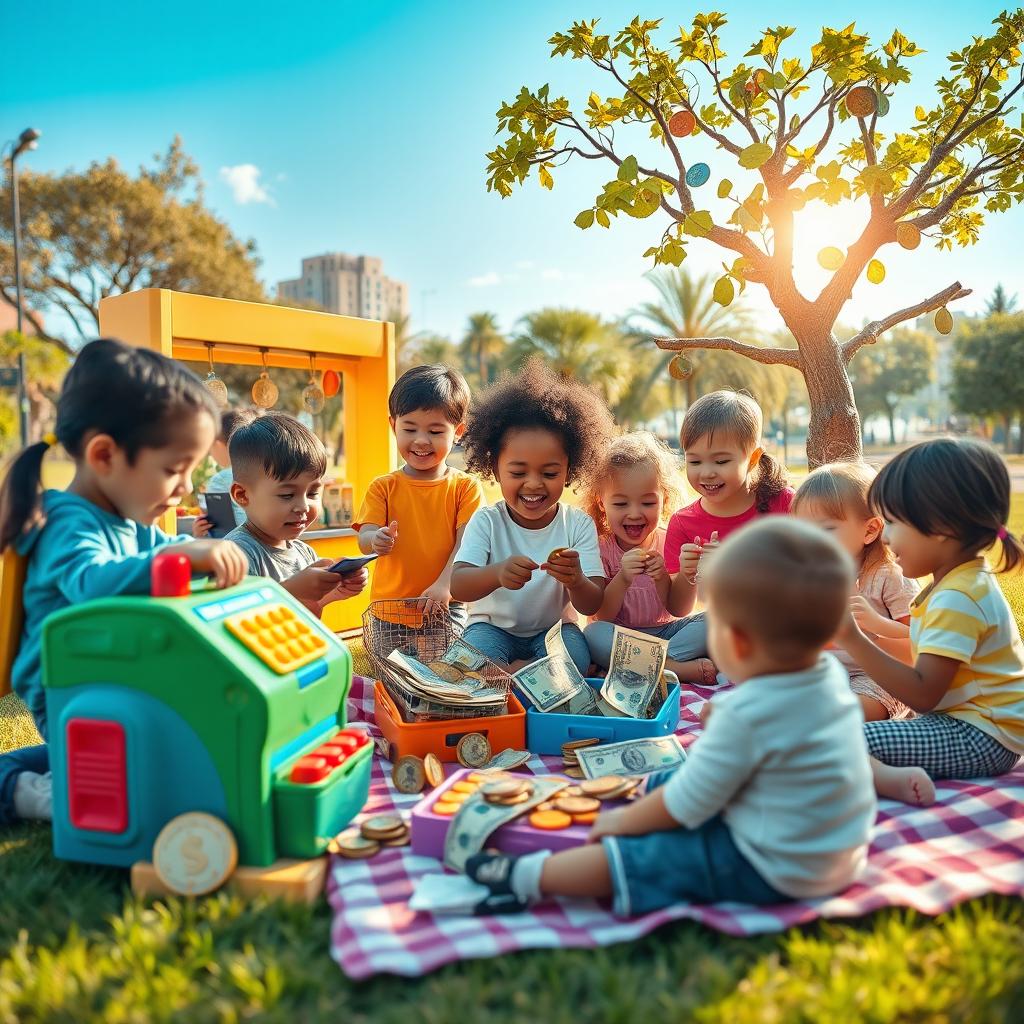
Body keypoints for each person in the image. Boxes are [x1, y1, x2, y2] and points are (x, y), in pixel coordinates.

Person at [465, 518, 877, 915]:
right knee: (668, 778)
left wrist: (624, 823)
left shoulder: (746, 717)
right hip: (841, 853)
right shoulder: (828, 682)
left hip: (776, 867)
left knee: (649, 856)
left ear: (735, 641)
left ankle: (529, 876)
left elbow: (688, 804)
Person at [0, 338, 248, 824]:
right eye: (174, 470)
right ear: (105, 455)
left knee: (166, 753)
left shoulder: (130, 523)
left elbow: (165, 561)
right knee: (129, 772)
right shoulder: (67, 522)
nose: (184, 488)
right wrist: (181, 557)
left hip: (121, 670)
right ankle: (22, 790)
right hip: (71, 685)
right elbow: (91, 582)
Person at [839, 439, 1024, 784]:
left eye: (893, 523)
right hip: (966, 724)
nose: (887, 538)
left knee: (842, 740)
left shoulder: (959, 597)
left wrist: (854, 639)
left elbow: (923, 694)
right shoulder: (957, 584)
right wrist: (875, 628)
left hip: (983, 736)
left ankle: (887, 780)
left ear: (941, 528)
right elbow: (920, 648)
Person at [450, 359, 614, 675]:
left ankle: (509, 674)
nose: (534, 483)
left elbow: (590, 604)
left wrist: (576, 580)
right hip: (492, 629)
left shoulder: (577, 524)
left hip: (554, 629)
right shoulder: (486, 520)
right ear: (495, 468)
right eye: (518, 471)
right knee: (468, 659)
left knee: (575, 658)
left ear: (569, 471)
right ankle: (533, 674)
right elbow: (459, 586)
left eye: (550, 472)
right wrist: (496, 574)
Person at [354, 365, 484, 621]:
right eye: (410, 429)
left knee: (443, 662)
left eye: (435, 432)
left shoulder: (466, 488)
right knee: (389, 663)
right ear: (394, 426)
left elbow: (468, 546)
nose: (421, 440)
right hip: (388, 610)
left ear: (458, 432)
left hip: (445, 605)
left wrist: (444, 585)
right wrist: (374, 539)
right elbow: (364, 538)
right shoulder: (383, 487)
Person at [581, 432, 712, 684]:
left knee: (717, 618)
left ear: (664, 498)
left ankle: (636, 667)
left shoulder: (671, 540)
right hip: (619, 636)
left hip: (668, 634)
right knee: (592, 633)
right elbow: (602, 616)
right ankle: (674, 670)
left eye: (647, 503)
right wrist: (623, 578)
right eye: (620, 504)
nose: (634, 514)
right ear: (601, 504)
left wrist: (668, 576)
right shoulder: (600, 548)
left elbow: (680, 609)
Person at [793, 461, 917, 721]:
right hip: (823, 673)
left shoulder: (890, 576)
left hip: (878, 676)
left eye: (825, 529)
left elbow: (919, 647)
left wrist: (874, 625)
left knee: (845, 714)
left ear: (870, 530)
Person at [666, 391, 794, 627]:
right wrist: (687, 573)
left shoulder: (785, 504)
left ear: (753, 458)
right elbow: (678, 609)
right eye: (694, 461)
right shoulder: (682, 523)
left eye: (721, 461)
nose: (706, 473)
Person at [224, 413, 368, 615]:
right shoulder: (236, 554)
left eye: (312, 493)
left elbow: (309, 611)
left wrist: (335, 591)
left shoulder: (304, 552)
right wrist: (291, 590)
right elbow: (236, 618)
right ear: (242, 495)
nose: (303, 506)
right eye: (287, 495)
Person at [194, 408, 256, 535]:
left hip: (238, 549)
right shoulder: (264, 472)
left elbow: (221, 534)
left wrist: (199, 535)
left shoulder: (219, 481)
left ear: (217, 444)